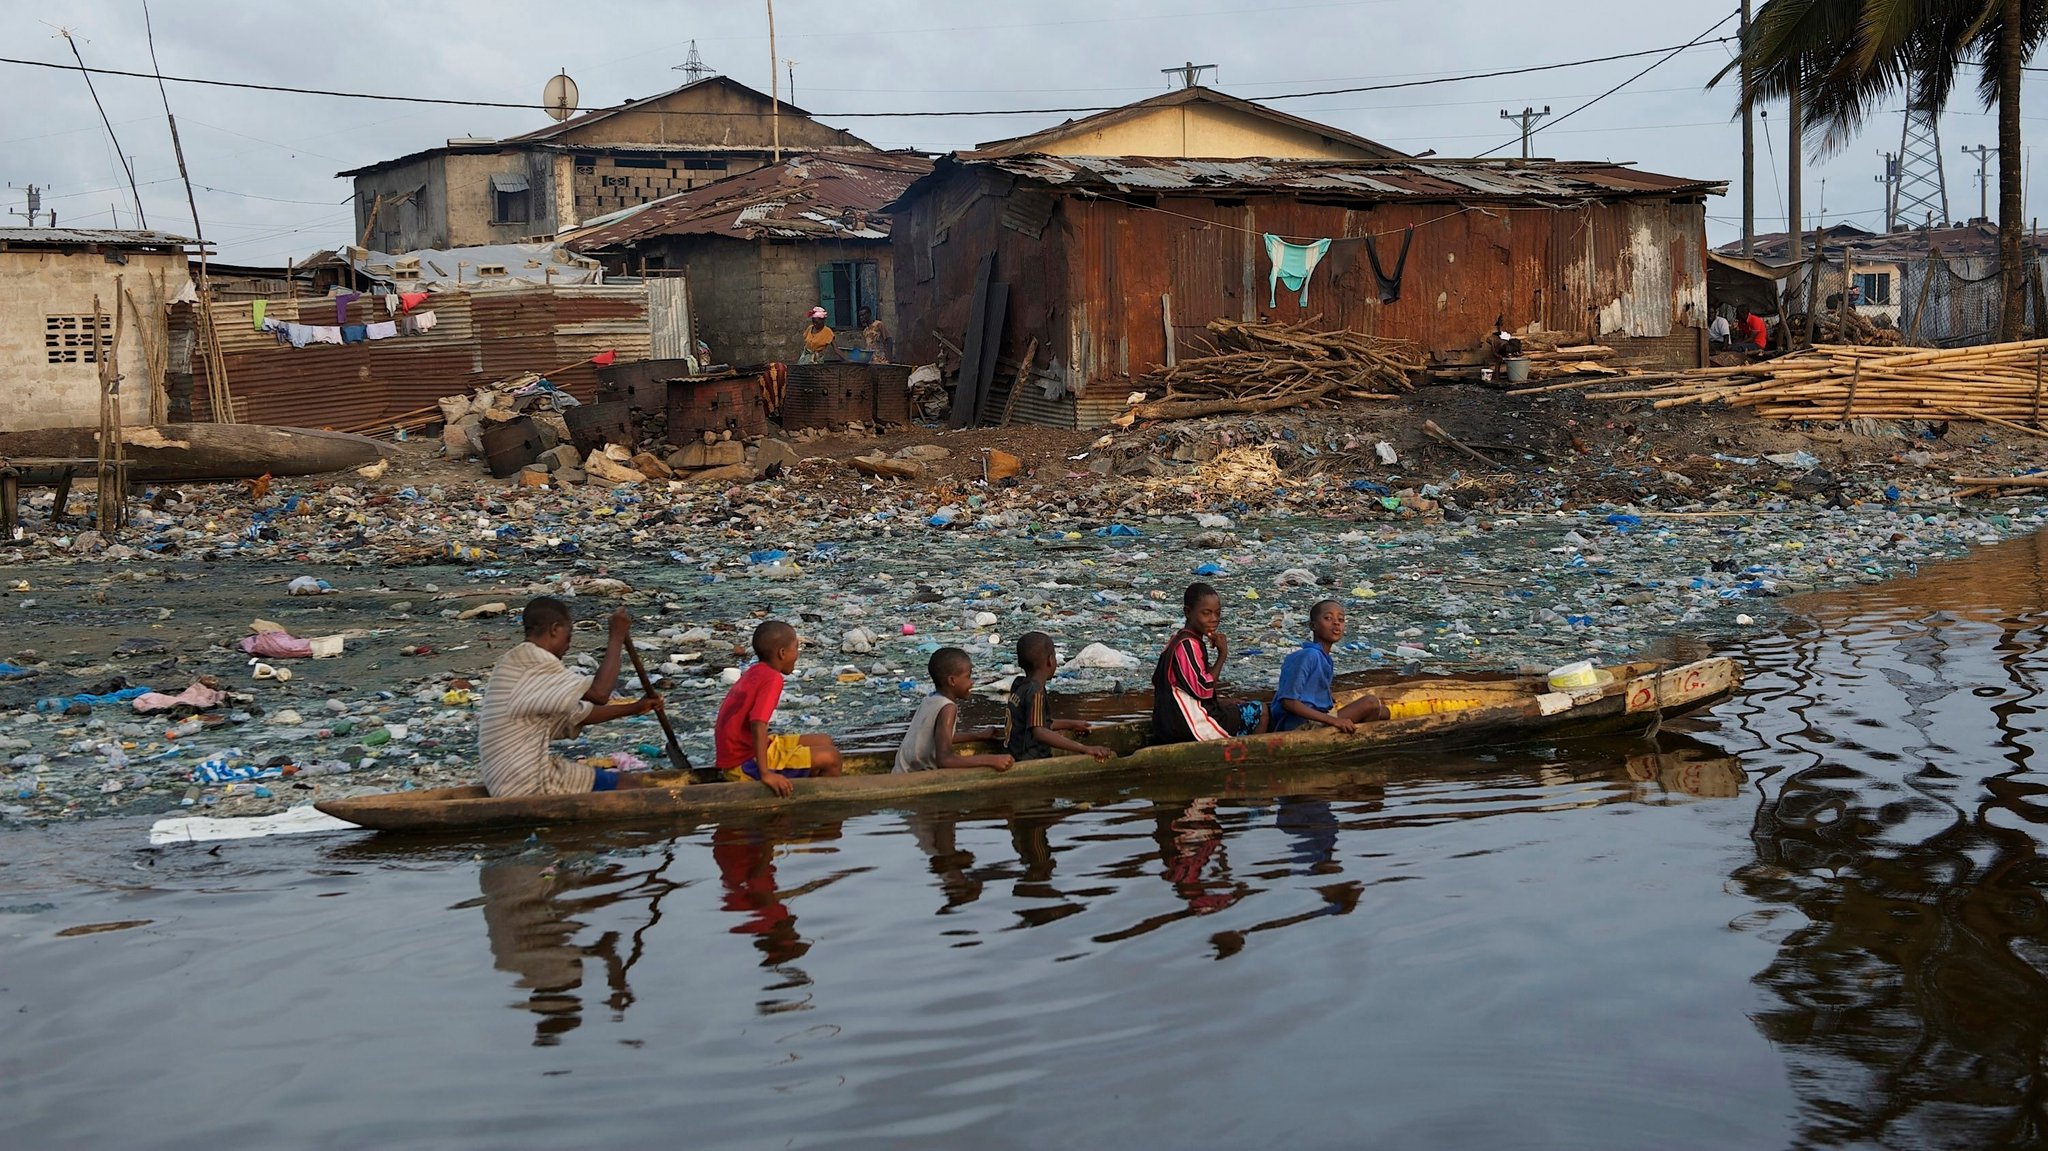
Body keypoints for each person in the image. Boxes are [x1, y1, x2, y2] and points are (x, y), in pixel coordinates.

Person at [478, 597, 664, 797]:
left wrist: (636, 708)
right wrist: (616, 638)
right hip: (525, 782)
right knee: (633, 790)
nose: (569, 644)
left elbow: (577, 714)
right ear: (555, 629)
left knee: (623, 781)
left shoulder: (514, 661)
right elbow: (599, 694)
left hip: (505, 777)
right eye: (569, 635)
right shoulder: (536, 662)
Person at [714, 620, 844, 796]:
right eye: (795, 648)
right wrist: (765, 773)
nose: (797, 655)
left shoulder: (756, 671)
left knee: (823, 740)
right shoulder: (773, 679)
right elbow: (758, 724)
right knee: (832, 758)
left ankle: (803, 783)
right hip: (743, 762)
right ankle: (820, 809)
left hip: (741, 751)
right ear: (782, 653)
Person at [1151, 582, 1270, 745]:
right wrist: (1222, 655)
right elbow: (1204, 689)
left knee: (1234, 705)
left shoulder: (1177, 640)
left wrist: (1221, 702)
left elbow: (1185, 688)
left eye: (1217, 613)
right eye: (1206, 613)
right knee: (1261, 711)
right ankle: (1249, 758)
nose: (1214, 619)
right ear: (1188, 612)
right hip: (1187, 726)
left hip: (1167, 723)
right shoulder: (1187, 645)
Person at [1271, 600, 1389, 733]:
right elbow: (1288, 701)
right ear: (1313, 625)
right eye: (1328, 618)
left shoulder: (1324, 658)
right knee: (1370, 703)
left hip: (1315, 719)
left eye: (1341, 619)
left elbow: (1310, 689)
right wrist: (1333, 720)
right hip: (1297, 726)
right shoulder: (1308, 655)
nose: (1336, 623)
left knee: (1384, 713)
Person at [895, 647, 1016, 773]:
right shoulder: (948, 708)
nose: (972, 682)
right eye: (968, 676)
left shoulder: (930, 699)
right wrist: (991, 760)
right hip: (913, 776)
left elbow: (940, 738)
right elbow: (944, 760)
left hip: (900, 771)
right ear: (952, 680)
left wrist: (978, 736)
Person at [1006, 632, 1114, 761]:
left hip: (1014, 754)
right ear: (1050, 660)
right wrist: (1085, 749)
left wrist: (1071, 724)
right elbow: (1039, 731)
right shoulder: (1036, 692)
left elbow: (1038, 723)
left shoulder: (1019, 684)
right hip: (1031, 759)